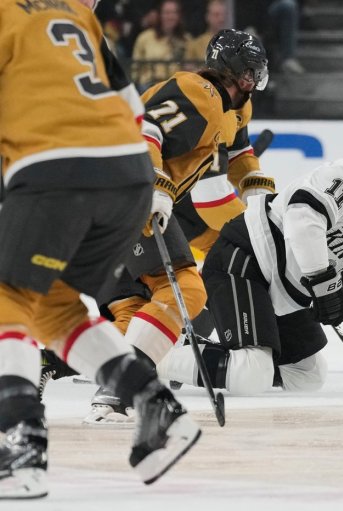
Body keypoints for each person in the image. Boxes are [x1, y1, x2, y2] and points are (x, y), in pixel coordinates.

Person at [0, 0, 200, 499]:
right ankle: (156, 406)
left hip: (57, 171)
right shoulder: (75, 15)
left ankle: (21, 447)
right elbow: (134, 109)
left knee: (8, 299)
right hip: (129, 175)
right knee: (53, 307)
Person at [156, 124, 343, 396]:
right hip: (245, 261)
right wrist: (324, 283)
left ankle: (210, 358)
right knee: (251, 373)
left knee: (307, 375)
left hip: (283, 293)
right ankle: (152, 357)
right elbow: (303, 218)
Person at [85, 29, 273, 423]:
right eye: (250, 71)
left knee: (138, 308)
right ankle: (121, 387)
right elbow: (145, 129)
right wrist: (155, 183)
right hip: (127, 188)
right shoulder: (198, 93)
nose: (255, 79)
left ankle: (77, 369)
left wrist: (255, 187)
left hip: (118, 193)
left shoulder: (236, 107)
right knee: (187, 289)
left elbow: (238, 151)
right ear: (234, 70)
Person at [132, 0, 190, 91]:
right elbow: (135, 68)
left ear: (179, 16)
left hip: (176, 87)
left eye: (174, 13)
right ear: (159, 15)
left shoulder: (186, 40)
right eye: (167, 13)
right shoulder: (145, 37)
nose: (170, 17)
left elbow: (191, 66)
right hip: (149, 86)